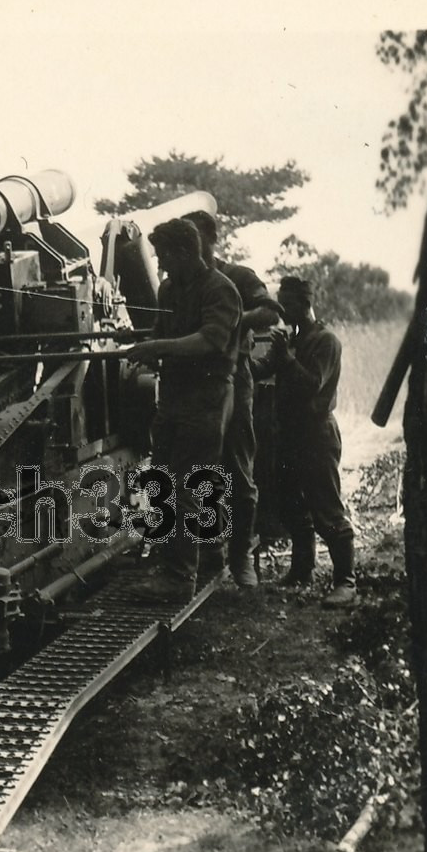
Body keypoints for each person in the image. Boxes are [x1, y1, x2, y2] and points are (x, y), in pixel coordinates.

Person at [126, 218, 242, 605]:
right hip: (174, 396)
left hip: (206, 397)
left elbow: (210, 341)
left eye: (164, 256)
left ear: (184, 253)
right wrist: (146, 347)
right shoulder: (169, 289)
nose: (159, 264)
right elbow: (161, 331)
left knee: (186, 483)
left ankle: (178, 577)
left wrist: (158, 348)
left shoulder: (220, 290)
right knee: (165, 478)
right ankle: (207, 554)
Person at [182, 210, 283, 587]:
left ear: (211, 239)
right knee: (197, 470)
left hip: (233, 377)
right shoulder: (182, 283)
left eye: (197, 237)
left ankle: (241, 558)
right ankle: (210, 551)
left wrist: (231, 321)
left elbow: (270, 313)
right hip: (192, 382)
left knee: (238, 468)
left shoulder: (237, 276)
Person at [251, 276, 357, 607]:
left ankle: (347, 583)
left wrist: (285, 357)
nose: (282, 311)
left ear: (305, 304)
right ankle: (301, 571)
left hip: (316, 435)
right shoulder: (292, 340)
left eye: (287, 304)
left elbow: (312, 384)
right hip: (290, 434)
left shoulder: (326, 341)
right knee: (291, 506)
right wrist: (240, 357)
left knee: (327, 509)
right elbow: (263, 368)